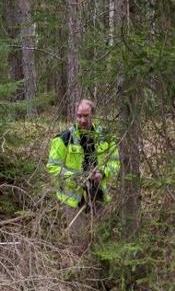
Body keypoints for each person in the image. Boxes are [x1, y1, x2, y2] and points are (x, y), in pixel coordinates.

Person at [46, 99, 120, 248]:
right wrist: (74, 177)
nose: (82, 120)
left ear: (94, 115)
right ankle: (79, 267)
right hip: (74, 198)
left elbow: (115, 163)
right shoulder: (64, 138)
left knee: (102, 240)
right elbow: (53, 166)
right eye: (79, 116)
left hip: (99, 195)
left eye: (86, 116)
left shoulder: (105, 137)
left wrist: (103, 173)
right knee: (78, 242)